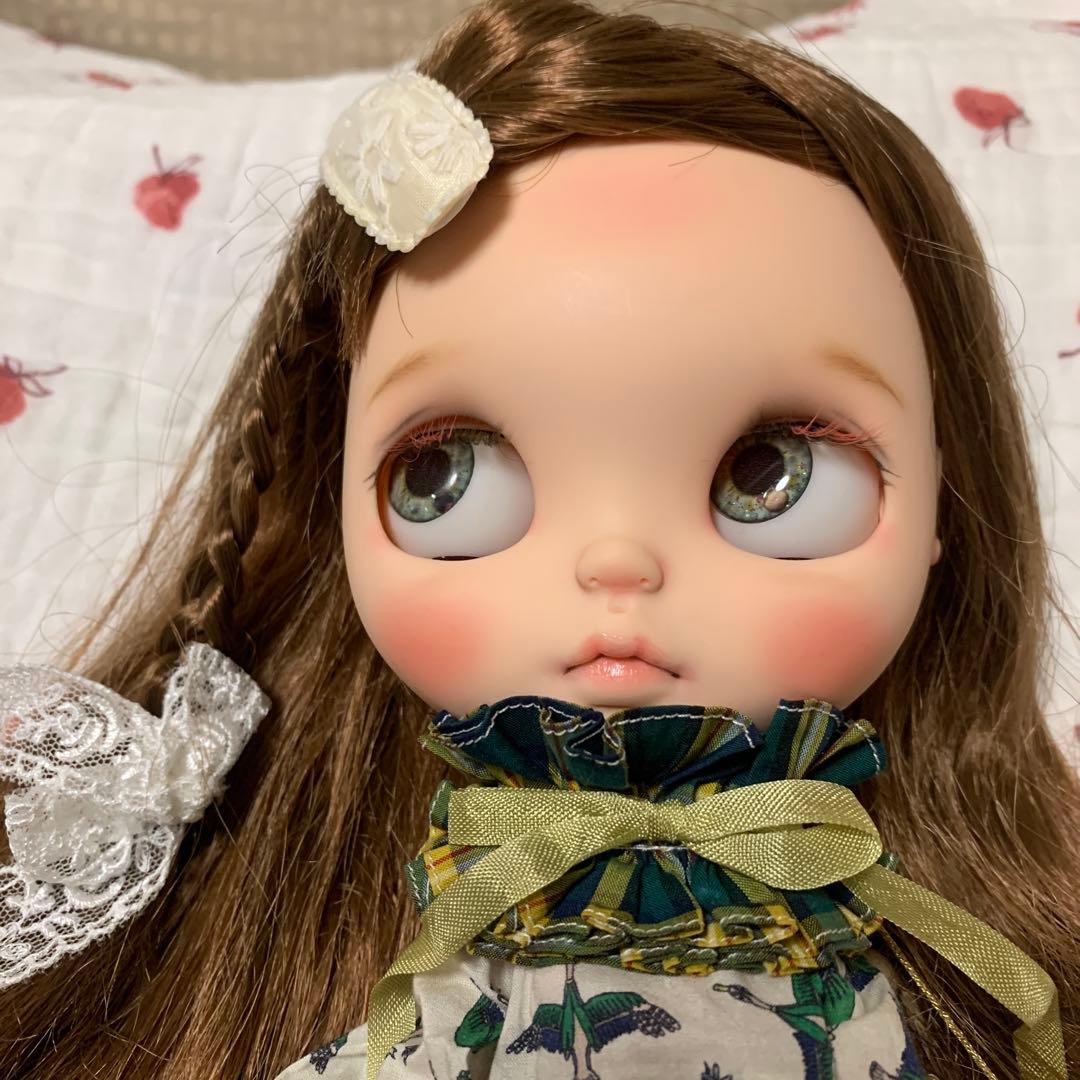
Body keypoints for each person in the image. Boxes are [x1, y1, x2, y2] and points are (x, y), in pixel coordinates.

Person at [1, 2, 1077, 1077]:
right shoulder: (322, 938)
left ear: (945, 500)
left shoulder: (951, 943)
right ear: (331, 493)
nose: (617, 564)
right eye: (447, 476)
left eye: (774, 475)